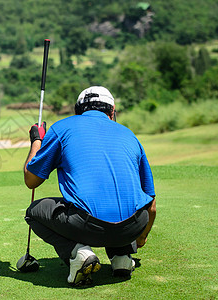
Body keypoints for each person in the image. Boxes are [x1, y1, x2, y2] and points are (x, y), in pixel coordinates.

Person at [23, 86, 156, 286]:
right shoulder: (130, 135)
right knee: (121, 204)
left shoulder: (62, 128)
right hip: (133, 227)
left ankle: (78, 254)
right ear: (112, 112)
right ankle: (122, 257)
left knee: (33, 212)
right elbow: (151, 205)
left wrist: (37, 140)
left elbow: (31, 180)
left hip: (86, 226)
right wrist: (142, 236)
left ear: (78, 111)